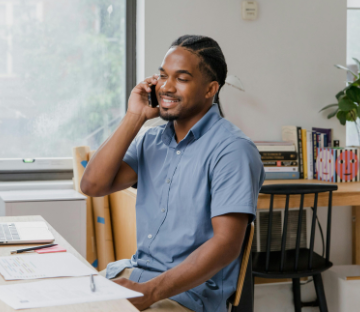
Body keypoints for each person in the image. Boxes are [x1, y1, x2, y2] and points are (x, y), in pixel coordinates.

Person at [81, 35, 265, 312]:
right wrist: (135, 116)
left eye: (182, 78)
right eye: (163, 75)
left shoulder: (232, 150)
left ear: (210, 89)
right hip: (135, 276)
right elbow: (92, 184)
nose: (166, 86)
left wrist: (149, 292)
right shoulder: (150, 141)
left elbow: (226, 244)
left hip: (187, 296)